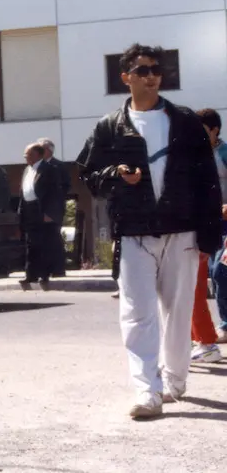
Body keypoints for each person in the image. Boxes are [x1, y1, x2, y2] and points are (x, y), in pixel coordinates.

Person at [77, 44, 221, 419]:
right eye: (142, 70)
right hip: (134, 231)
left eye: (156, 70)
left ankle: (174, 379)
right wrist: (115, 175)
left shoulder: (186, 121)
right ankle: (146, 391)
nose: (152, 76)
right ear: (126, 77)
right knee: (137, 312)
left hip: (182, 231)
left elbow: (208, 180)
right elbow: (89, 174)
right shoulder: (109, 126)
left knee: (178, 311)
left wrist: (211, 235)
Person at [195, 108, 227, 350]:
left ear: (214, 129)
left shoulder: (224, 153)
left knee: (219, 271)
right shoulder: (195, 155)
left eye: (202, 128)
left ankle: (224, 326)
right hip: (208, 223)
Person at [18, 143, 62, 291]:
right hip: (29, 209)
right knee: (30, 243)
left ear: (37, 154)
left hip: (42, 210)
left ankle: (44, 275)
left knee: (43, 243)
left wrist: (50, 213)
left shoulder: (49, 170)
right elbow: (23, 192)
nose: (25, 157)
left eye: (28, 154)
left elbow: (55, 194)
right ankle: (30, 275)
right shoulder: (26, 170)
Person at [38, 138, 71, 277]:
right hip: (40, 209)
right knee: (43, 239)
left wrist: (53, 206)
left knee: (54, 238)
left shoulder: (59, 166)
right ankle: (46, 269)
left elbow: (66, 186)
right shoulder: (38, 166)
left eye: (41, 149)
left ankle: (58, 269)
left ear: (48, 150)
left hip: (54, 209)